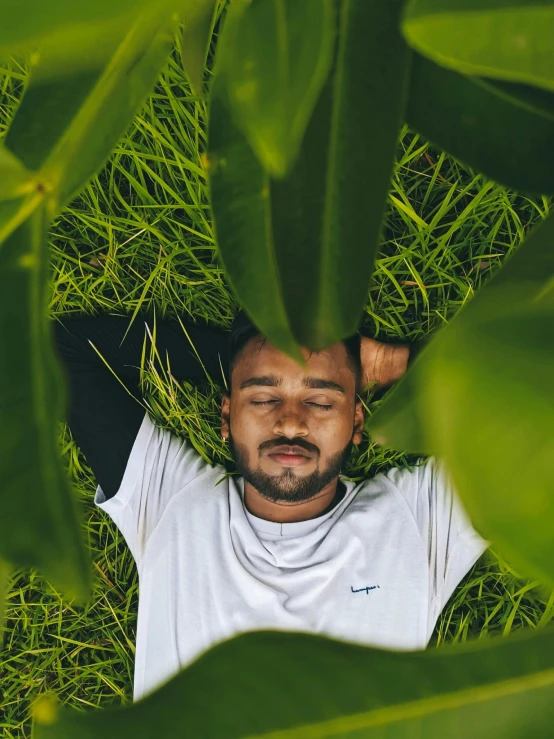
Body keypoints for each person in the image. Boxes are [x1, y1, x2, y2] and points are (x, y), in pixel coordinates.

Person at [53, 309, 488, 702]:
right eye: (263, 399)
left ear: (357, 421)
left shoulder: (418, 521)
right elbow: (63, 347)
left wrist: (388, 366)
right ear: (226, 416)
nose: (291, 422)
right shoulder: (170, 502)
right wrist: (246, 360)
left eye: (320, 400)